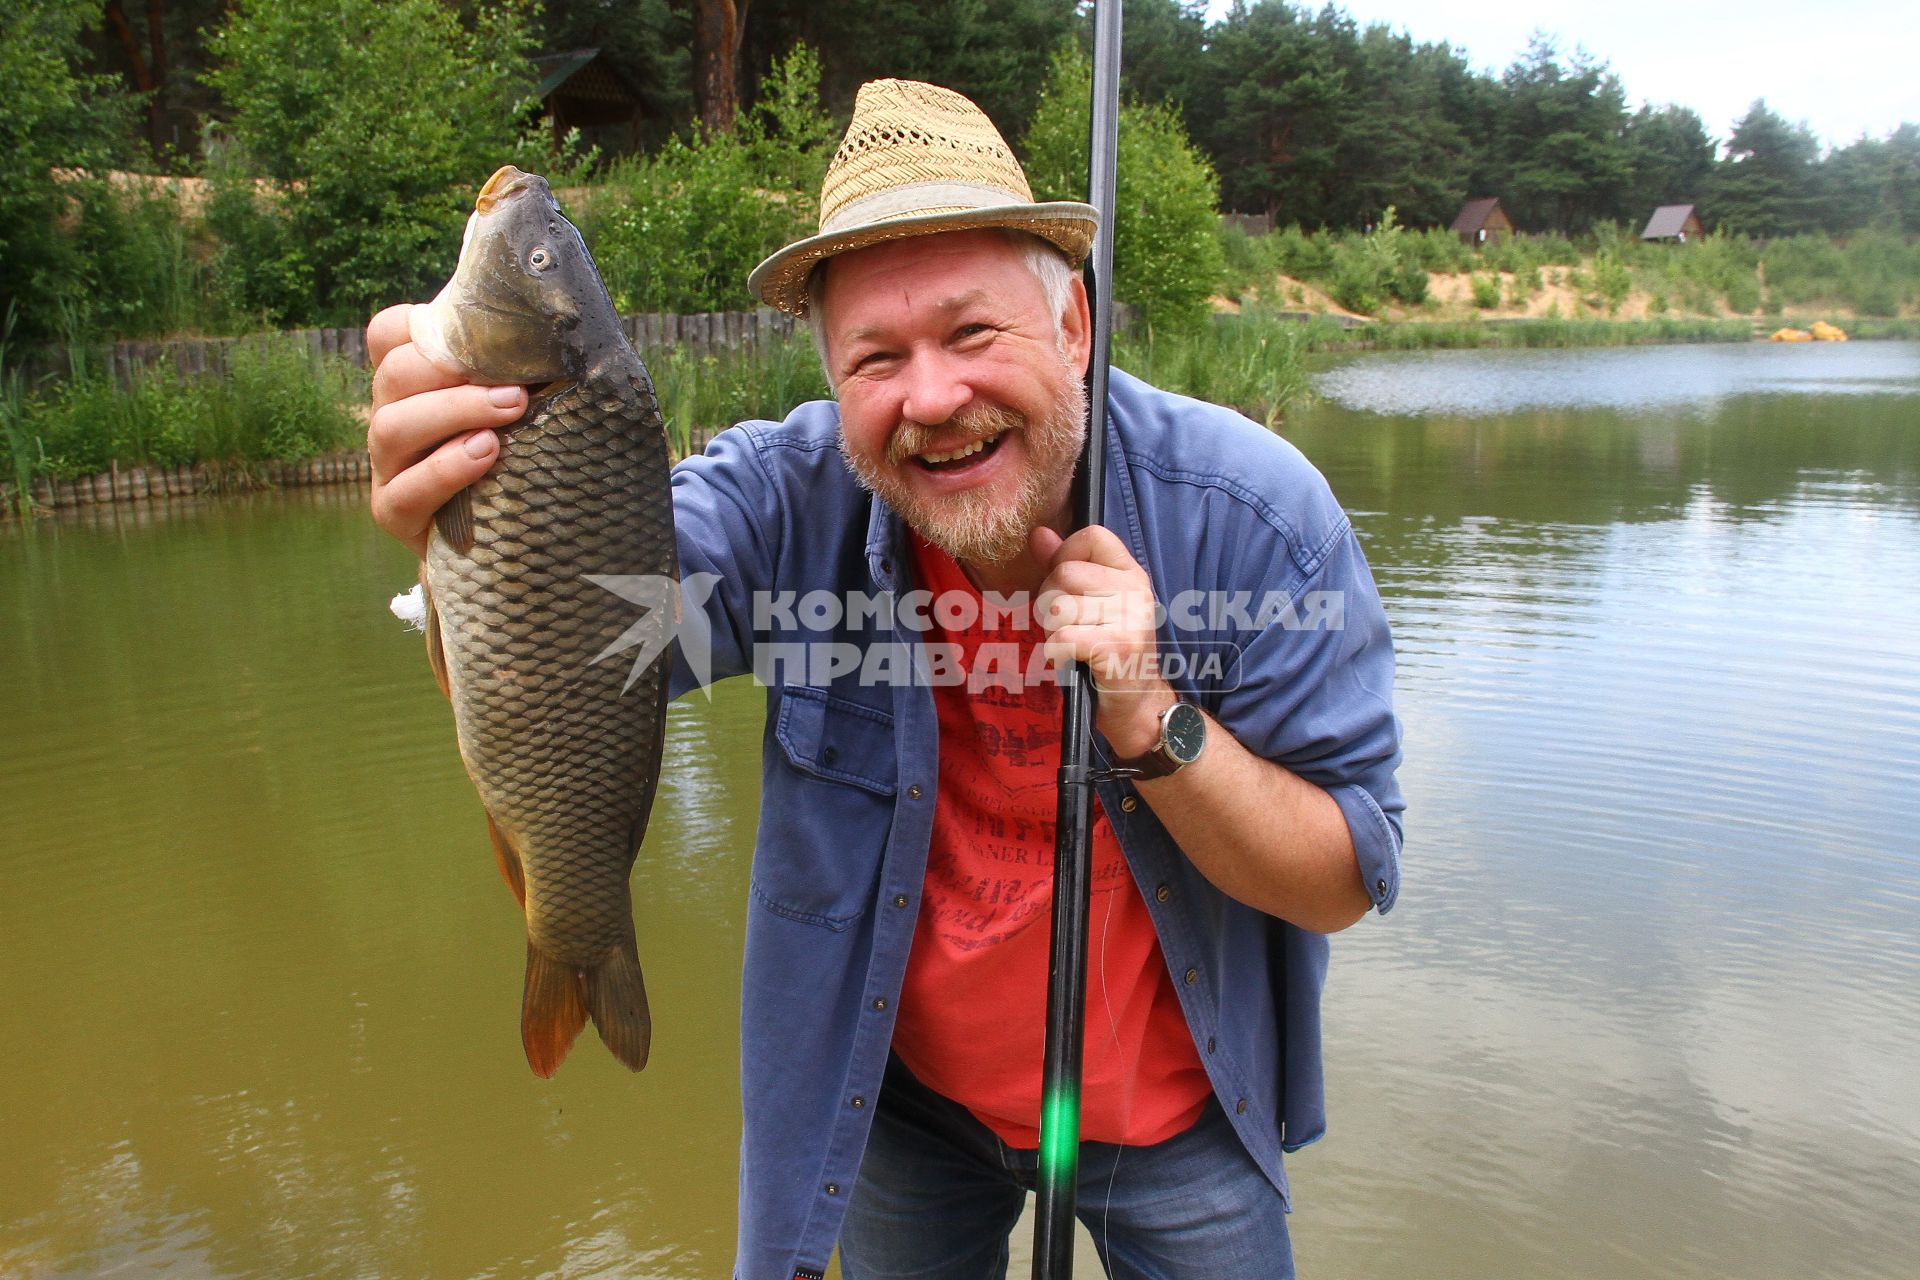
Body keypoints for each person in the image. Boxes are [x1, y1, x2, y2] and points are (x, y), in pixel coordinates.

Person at [367, 79, 1402, 1280]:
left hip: (1176, 1119)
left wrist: (1147, 712)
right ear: (830, 376)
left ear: (1072, 328)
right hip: (902, 1113)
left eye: (971, 333)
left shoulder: (1257, 522)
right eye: (875, 356)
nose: (931, 398)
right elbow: (594, 633)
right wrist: (469, 500)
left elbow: (1341, 877)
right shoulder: (786, 499)